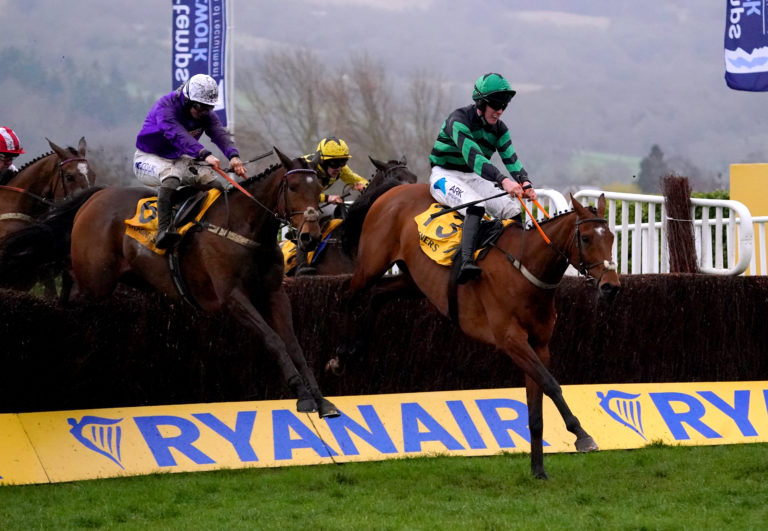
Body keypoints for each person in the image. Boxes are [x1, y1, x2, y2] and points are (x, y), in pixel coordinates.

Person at [429, 72, 537, 284]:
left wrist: (525, 182)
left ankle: (516, 259)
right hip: (444, 174)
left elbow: (511, 158)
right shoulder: (458, 120)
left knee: (513, 210)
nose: (499, 111)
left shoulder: (500, 130)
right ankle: (466, 263)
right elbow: (475, 159)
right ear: (480, 103)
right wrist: (504, 181)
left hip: (473, 177)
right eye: (496, 105)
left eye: (504, 106)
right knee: (473, 206)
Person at [133, 74, 247, 249]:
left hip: (178, 158)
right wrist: (204, 154)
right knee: (171, 177)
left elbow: (219, 133)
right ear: (187, 100)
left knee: (214, 184)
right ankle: (163, 231)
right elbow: (178, 135)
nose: (203, 113)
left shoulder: (204, 113)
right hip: (149, 157)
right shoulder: (165, 108)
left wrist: (234, 156)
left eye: (208, 108)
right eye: (200, 108)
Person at [294, 136, 368, 275]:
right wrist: (328, 197)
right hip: (296, 203)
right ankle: (301, 265)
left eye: (343, 161)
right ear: (321, 160)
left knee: (339, 213)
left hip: (311, 203)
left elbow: (359, 180)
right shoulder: (307, 167)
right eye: (334, 162)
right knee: (310, 219)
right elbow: (301, 195)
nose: (339, 167)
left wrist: (361, 185)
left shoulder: (340, 169)